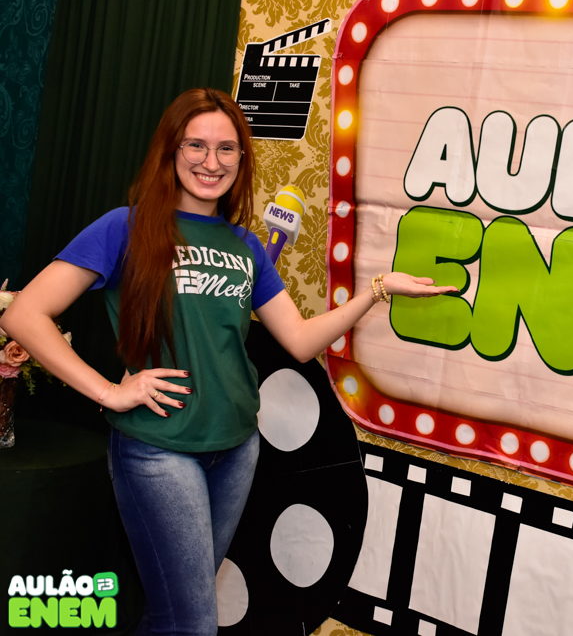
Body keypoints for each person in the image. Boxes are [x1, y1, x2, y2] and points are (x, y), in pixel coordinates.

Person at [0, 87, 454, 636]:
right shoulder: (125, 226)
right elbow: (24, 314)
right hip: (159, 448)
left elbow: (300, 340)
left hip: (237, 448)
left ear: (241, 158)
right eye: (196, 145)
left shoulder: (245, 246)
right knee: (195, 623)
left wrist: (377, 290)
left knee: (174, 615)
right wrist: (108, 391)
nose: (210, 162)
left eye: (226, 149)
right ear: (171, 149)